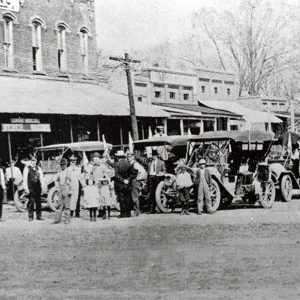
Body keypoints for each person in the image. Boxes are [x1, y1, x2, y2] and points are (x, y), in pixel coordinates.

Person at [114, 150, 137, 218]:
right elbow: (133, 174)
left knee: (121, 199)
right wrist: (128, 179)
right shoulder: (129, 164)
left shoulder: (116, 164)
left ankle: (123, 214)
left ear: (118, 157)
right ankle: (128, 213)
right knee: (128, 198)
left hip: (119, 184)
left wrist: (123, 180)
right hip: (128, 184)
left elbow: (116, 175)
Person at [23, 156, 44, 221]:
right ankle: (30, 217)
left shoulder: (39, 168)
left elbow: (41, 178)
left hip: (38, 187)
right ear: (30, 161)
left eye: (34, 161)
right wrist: (26, 188)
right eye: (32, 161)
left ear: (36, 161)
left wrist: (43, 187)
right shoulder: (27, 168)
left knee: (38, 202)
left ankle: (39, 216)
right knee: (31, 201)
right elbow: (24, 178)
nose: (33, 162)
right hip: (31, 187)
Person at [127, 152, 147, 216]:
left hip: (135, 182)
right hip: (130, 182)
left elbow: (142, 171)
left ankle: (137, 211)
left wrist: (138, 178)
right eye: (128, 157)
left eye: (130, 156)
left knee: (135, 197)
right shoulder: (128, 163)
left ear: (133, 157)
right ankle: (134, 210)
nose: (129, 158)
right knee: (131, 197)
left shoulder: (136, 164)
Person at [54, 158, 71, 224]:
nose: (63, 166)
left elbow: (70, 181)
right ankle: (57, 219)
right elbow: (56, 180)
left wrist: (70, 190)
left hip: (66, 187)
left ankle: (67, 219)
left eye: (64, 164)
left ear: (66, 165)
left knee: (67, 205)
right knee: (59, 204)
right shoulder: (59, 172)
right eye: (61, 165)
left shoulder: (68, 171)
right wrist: (57, 188)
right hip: (60, 188)